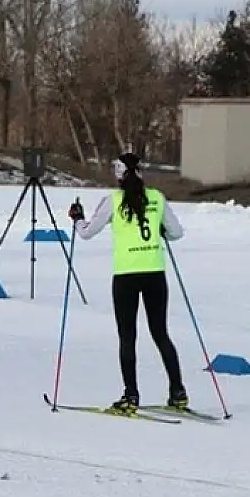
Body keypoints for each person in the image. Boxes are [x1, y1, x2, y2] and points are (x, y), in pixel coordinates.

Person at [68, 152, 188, 415]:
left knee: (127, 337)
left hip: (126, 276)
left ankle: (131, 396)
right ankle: (178, 392)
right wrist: (160, 230)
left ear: (119, 175)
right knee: (160, 334)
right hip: (155, 273)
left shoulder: (113, 201)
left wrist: (77, 218)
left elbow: (87, 232)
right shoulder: (156, 197)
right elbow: (177, 233)